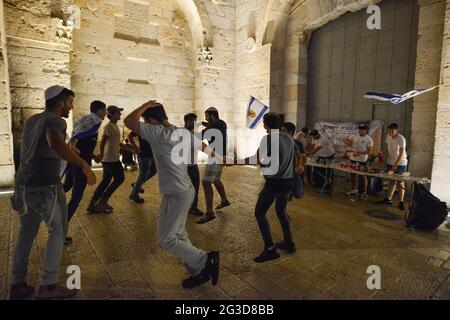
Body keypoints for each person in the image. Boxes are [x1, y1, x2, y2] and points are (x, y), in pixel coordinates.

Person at [10, 85, 96, 300]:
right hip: (44, 186)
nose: (71, 106)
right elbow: (55, 143)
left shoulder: (33, 120)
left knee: (26, 233)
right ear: (60, 103)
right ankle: (49, 286)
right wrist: (84, 165)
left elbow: (44, 147)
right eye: (70, 102)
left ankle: (17, 284)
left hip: (23, 186)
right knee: (58, 230)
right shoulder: (56, 120)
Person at [124, 100, 220, 289]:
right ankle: (198, 271)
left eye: (147, 120)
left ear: (151, 120)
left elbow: (129, 120)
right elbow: (202, 146)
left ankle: (206, 259)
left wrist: (144, 105)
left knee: (166, 240)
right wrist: (222, 158)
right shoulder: (182, 132)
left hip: (177, 193)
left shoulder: (157, 133)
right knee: (179, 233)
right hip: (183, 191)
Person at [230, 113, 296, 263]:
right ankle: (289, 243)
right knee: (281, 212)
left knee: (259, 212)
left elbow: (256, 158)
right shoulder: (289, 138)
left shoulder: (268, 138)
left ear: (265, 124)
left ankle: (270, 248)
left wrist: (234, 161)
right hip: (287, 182)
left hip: (275, 183)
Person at [62, 100, 106, 244]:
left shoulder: (87, 120)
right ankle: (60, 230)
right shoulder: (95, 122)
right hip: (80, 165)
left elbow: (81, 144)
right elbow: (74, 142)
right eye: (104, 110)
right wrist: (84, 163)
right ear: (99, 110)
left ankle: (50, 206)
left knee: (67, 186)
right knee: (76, 197)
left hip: (74, 161)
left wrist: (92, 155)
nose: (105, 113)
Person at [87, 106, 126, 213]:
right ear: (112, 114)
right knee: (120, 178)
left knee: (106, 180)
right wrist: (101, 155)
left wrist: (130, 148)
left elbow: (116, 142)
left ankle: (93, 203)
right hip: (110, 158)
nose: (120, 114)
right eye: (118, 113)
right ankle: (103, 201)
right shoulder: (109, 126)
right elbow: (103, 141)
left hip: (110, 158)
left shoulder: (114, 126)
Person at [197, 107, 230, 224]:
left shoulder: (214, 126)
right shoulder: (222, 123)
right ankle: (224, 200)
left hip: (216, 157)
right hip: (222, 155)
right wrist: (204, 124)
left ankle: (209, 213)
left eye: (206, 116)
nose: (205, 118)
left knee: (206, 182)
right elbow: (212, 127)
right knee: (216, 179)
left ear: (211, 116)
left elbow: (199, 137)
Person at [376, 123, 408, 210]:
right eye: (389, 131)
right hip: (390, 162)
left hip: (400, 163)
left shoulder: (401, 139)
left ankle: (401, 201)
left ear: (397, 131)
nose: (390, 132)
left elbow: (401, 152)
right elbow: (389, 149)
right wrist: (382, 153)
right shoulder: (388, 136)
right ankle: (388, 199)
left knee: (400, 182)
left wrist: (396, 164)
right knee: (391, 181)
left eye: (392, 131)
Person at [128, 125, 157, 203]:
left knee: (154, 170)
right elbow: (130, 136)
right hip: (144, 155)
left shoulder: (155, 127)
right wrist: (135, 147)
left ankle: (136, 184)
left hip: (152, 155)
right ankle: (134, 195)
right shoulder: (142, 128)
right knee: (142, 175)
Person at [345, 124, 373, 200]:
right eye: (359, 129)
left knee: (362, 175)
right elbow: (348, 142)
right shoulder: (354, 136)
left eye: (362, 129)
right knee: (352, 174)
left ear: (366, 130)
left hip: (362, 160)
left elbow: (369, 151)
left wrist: (360, 153)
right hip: (353, 158)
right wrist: (347, 142)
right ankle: (353, 187)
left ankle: (363, 191)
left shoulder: (369, 139)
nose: (360, 131)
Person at [184, 113, 204, 216]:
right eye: (194, 121)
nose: (195, 124)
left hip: (187, 166)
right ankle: (193, 207)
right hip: (189, 167)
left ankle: (189, 207)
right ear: (188, 122)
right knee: (194, 188)